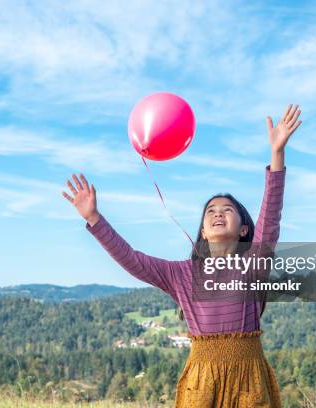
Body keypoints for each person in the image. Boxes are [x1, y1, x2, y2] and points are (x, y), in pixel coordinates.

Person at [62, 104, 302, 407]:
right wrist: (95, 219)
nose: (218, 214)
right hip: (201, 383)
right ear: (202, 230)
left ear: (243, 230)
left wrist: (277, 155)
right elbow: (132, 260)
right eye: (210, 211)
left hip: (248, 381)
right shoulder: (181, 274)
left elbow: (270, 218)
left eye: (227, 210)